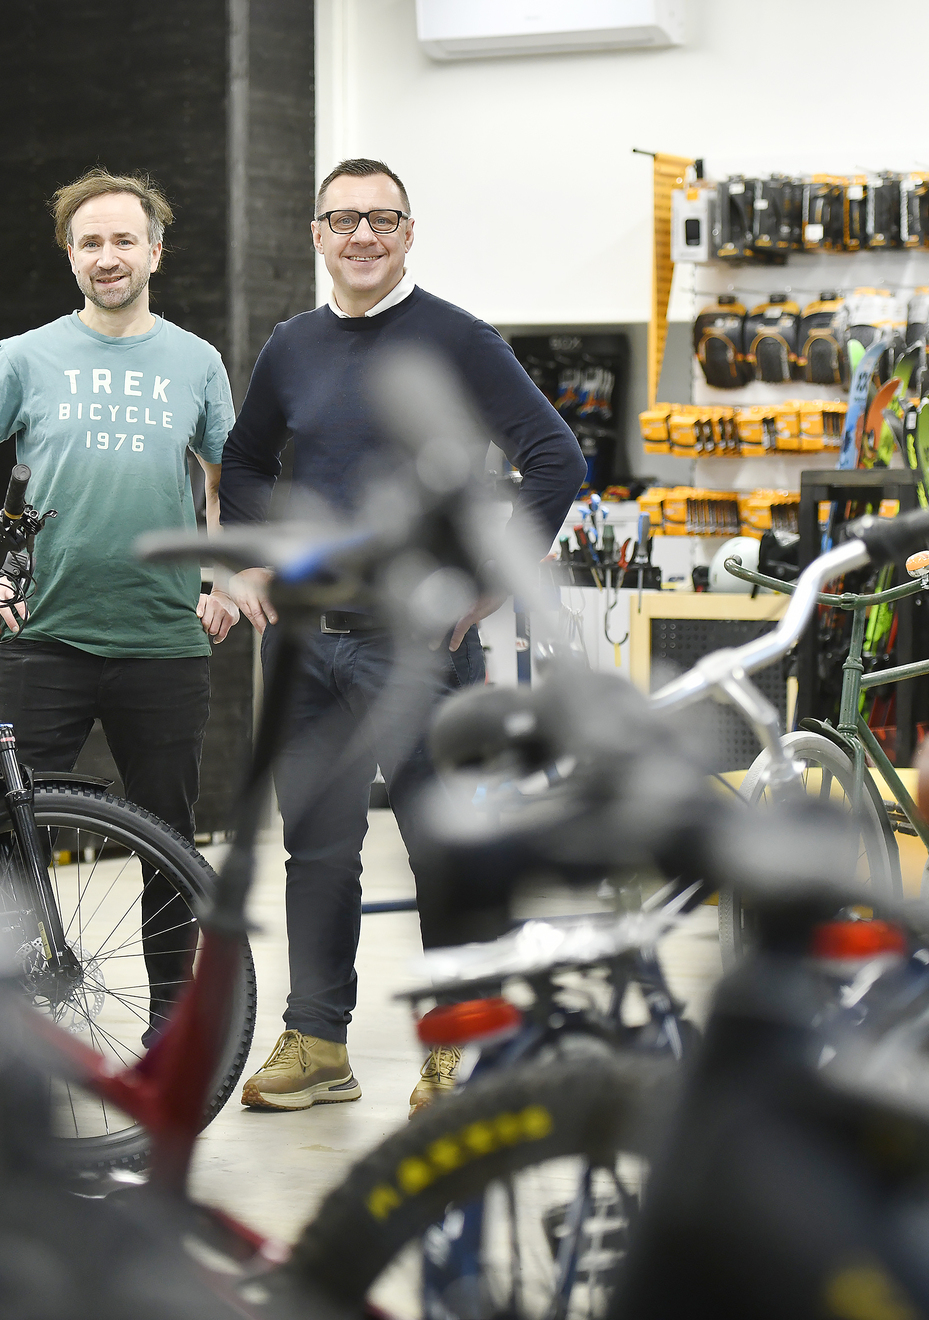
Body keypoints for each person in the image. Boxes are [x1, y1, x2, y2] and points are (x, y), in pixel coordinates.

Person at [218, 158, 585, 1117]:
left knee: (443, 849)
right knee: (317, 851)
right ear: (317, 235)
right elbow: (245, 461)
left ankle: (460, 1045)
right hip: (304, 644)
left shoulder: (456, 340)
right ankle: (317, 1042)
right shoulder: (292, 346)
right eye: (343, 219)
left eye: (382, 219)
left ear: (409, 233)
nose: (362, 236)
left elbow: (555, 457)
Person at [0, 167, 240, 1040]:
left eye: (124, 240)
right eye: (91, 242)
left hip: (163, 643)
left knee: (169, 849)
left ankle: (171, 1035)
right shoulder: (24, 356)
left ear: (155, 251)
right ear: (70, 255)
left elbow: (227, 478)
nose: (109, 256)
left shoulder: (196, 361)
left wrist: (223, 578)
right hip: (44, 639)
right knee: (12, 843)